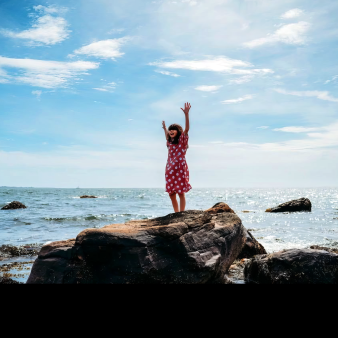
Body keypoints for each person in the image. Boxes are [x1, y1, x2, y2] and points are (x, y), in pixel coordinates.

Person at [162, 102, 192, 213]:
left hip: (179, 168)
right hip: (170, 169)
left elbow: (187, 129)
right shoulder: (169, 143)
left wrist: (186, 114)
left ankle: (181, 213)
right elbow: (166, 136)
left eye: (173, 129)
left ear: (178, 131)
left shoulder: (182, 142)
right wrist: (165, 128)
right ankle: (176, 213)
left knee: (180, 192)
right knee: (171, 193)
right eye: (170, 130)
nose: (171, 131)